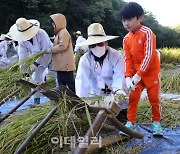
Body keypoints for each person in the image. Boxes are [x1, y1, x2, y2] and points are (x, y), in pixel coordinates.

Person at [119, 2, 163, 135]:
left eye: (130, 19)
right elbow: (127, 58)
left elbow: (149, 55)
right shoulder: (126, 38)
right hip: (135, 74)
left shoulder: (147, 33)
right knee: (133, 98)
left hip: (151, 73)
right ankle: (130, 123)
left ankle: (156, 122)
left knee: (154, 99)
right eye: (124, 20)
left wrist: (138, 75)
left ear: (140, 17)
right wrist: (128, 77)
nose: (126, 23)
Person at [75, 23, 128, 101]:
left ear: (106, 42)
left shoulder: (116, 56)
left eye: (100, 44)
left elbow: (119, 76)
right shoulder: (85, 59)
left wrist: (118, 92)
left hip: (114, 95)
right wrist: (83, 101)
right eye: (93, 45)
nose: (96, 47)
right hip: (95, 95)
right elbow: (82, 81)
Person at [9, 17, 53, 104]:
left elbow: (45, 50)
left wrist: (35, 64)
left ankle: (62, 96)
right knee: (36, 78)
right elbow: (23, 57)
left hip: (51, 57)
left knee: (57, 75)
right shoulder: (22, 41)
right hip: (37, 61)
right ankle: (36, 101)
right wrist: (25, 72)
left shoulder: (41, 33)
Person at [44, 13, 76, 93]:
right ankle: (64, 102)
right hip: (61, 66)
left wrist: (50, 50)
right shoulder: (59, 33)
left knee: (70, 86)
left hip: (65, 66)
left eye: (53, 23)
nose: (52, 25)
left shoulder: (64, 32)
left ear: (58, 23)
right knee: (62, 86)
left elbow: (62, 46)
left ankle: (75, 102)